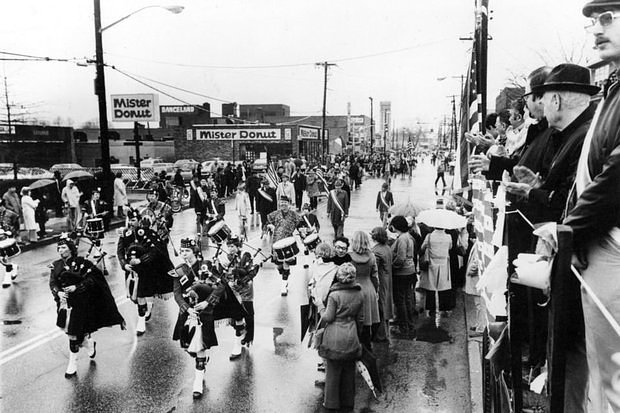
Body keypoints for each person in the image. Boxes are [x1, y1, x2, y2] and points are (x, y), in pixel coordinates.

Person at [559, 2, 620, 410]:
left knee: (613, 381)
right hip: (599, 248)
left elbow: (615, 176)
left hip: (611, 249)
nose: (597, 29)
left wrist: (569, 229)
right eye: (593, 22)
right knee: (604, 377)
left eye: (609, 17)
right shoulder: (614, 89)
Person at [172, 238, 247, 399]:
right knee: (189, 346)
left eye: (187, 251)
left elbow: (221, 285)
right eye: (182, 250)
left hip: (209, 307)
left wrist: (207, 302)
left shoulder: (205, 265)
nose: (184, 253)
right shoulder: (179, 270)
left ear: (195, 252)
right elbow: (177, 294)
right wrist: (187, 309)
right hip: (190, 310)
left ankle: (198, 381)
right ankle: (202, 362)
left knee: (202, 345)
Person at [49, 234, 125, 378]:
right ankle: (88, 344)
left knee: (73, 333)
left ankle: (73, 364)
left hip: (81, 303)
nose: (60, 250)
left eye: (63, 247)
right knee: (73, 332)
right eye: (58, 247)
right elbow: (53, 283)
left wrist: (77, 287)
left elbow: (92, 280)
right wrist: (58, 293)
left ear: (71, 249)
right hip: (65, 304)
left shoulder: (83, 262)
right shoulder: (56, 265)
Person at [117, 208, 174, 336]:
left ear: (139, 220)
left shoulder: (148, 233)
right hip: (132, 271)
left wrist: (141, 260)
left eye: (133, 220)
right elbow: (120, 252)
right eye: (129, 220)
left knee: (144, 293)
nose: (131, 223)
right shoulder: (125, 234)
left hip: (147, 269)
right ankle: (145, 311)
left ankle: (141, 320)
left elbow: (156, 251)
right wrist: (124, 265)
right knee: (136, 296)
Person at [318, 262, 364, 413]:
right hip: (351, 334)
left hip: (335, 336)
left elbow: (328, 317)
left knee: (333, 372)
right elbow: (360, 318)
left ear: (339, 277)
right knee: (349, 371)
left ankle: (331, 403)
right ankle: (347, 402)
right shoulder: (359, 292)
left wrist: (320, 307)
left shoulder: (334, 295)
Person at [225, 235, 257, 349]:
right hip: (233, 289)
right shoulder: (229, 257)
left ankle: (248, 337)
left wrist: (237, 272)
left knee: (248, 314)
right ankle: (240, 332)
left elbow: (251, 272)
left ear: (238, 246)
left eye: (232, 246)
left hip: (245, 289)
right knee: (234, 316)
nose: (230, 249)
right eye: (228, 246)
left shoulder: (246, 256)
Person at [349, 231, 380, 350]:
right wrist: (376, 291)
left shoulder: (349, 257)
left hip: (353, 289)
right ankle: (367, 349)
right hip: (368, 288)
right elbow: (374, 276)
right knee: (368, 322)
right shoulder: (371, 256)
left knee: (354, 321)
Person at [389, 216, 417, 338]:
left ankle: (403, 326)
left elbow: (401, 258)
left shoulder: (402, 239)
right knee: (407, 299)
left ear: (396, 226)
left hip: (402, 273)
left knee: (400, 301)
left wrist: (392, 266)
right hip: (410, 271)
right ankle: (409, 324)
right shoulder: (408, 236)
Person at [266, 195, 300, 296]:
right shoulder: (274, 214)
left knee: (286, 263)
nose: (283, 204)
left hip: (288, 242)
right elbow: (267, 221)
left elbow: (301, 224)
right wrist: (268, 226)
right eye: (281, 203)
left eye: (285, 203)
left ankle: (283, 285)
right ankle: (285, 276)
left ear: (288, 204)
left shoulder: (294, 215)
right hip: (276, 243)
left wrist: (303, 232)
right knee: (278, 266)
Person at [419, 226, 453, 319]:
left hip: (432, 263)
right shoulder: (448, 237)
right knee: (444, 286)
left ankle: (431, 308)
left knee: (431, 287)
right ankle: (444, 307)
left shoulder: (429, 236)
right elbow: (450, 247)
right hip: (444, 263)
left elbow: (422, 248)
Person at [370, 226, 394, 342]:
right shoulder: (387, 248)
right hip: (388, 279)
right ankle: (385, 332)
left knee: (380, 307)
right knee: (386, 306)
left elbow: (374, 269)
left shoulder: (376, 251)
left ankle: (380, 335)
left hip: (381, 281)